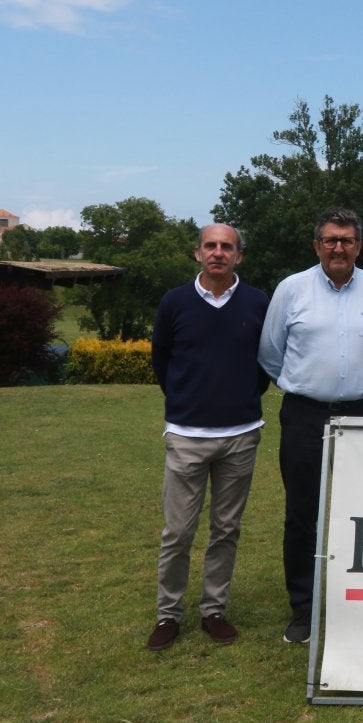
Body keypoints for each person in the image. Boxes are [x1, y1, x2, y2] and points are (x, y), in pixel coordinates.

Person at [258, 207, 363, 644]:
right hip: (305, 413)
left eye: (347, 239)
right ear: (317, 244)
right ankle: (303, 607)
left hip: (361, 412)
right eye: (331, 239)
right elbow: (270, 352)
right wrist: (309, 384)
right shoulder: (291, 289)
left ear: (359, 245)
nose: (339, 247)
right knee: (303, 512)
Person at [147, 223, 269, 651]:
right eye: (210, 246)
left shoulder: (257, 302)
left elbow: (265, 362)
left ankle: (213, 610)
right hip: (186, 435)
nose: (218, 252)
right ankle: (169, 614)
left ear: (240, 255)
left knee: (226, 529)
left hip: (240, 434)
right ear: (197, 253)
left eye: (227, 246)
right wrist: (185, 399)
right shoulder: (174, 302)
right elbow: (161, 358)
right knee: (178, 532)